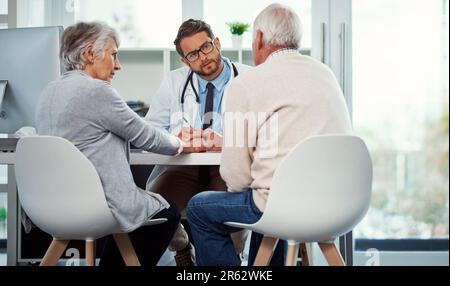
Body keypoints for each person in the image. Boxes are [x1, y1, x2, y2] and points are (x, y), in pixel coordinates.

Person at [186, 3, 353, 266]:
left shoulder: (247, 82)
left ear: (260, 38)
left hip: (283, 207)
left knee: (199, 208)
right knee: (272, 194)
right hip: (342, 204)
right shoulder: (325, 74)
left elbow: (236, 178)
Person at [35, 22, 185, 266]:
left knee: (130, 214)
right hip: (94, 206)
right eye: (114, 54)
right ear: (89, 53)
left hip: (52, 206)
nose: (118, 65)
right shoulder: (97, 91)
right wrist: (181, 142)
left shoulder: (48, 92)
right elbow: (145, 136)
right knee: (168, 213)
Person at [144, 19, 251, 265]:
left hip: (228, 167)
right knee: (154, 209)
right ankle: (182, 247)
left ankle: (232, 258)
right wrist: (174, 138)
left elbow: (265, 131)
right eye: (193, 54)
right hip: (183, 167)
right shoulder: (174, 82)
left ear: (217, 43)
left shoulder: (249, 78)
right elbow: (149, 130)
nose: (203, 57)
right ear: (184, 60)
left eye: (206, 47)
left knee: (230, 215)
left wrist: (226, 141)